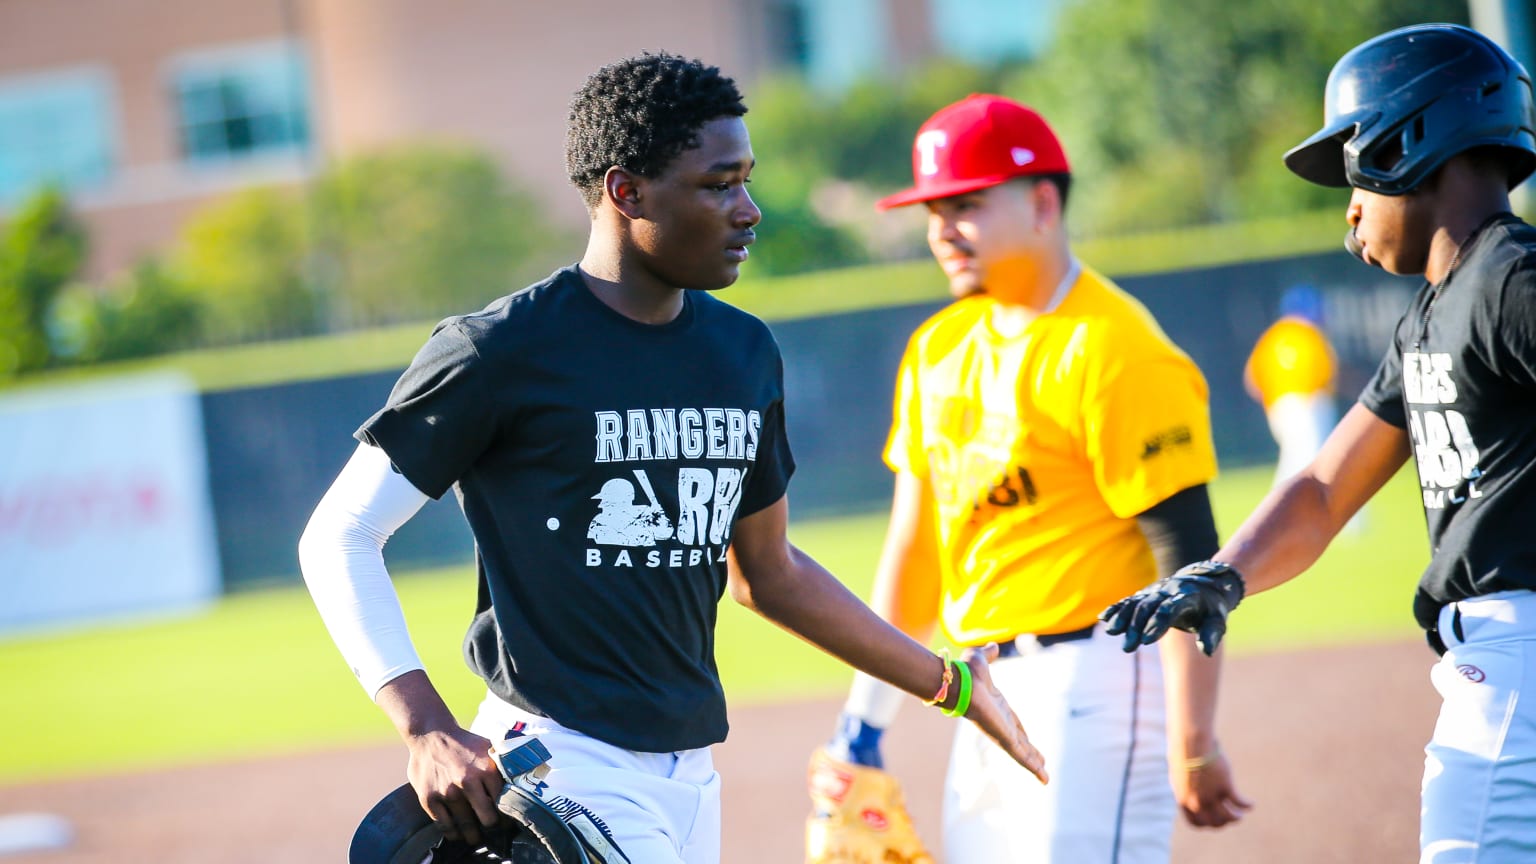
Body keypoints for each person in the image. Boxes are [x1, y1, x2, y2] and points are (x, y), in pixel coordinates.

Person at [295, 52, 1047, 864]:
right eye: (719, 185)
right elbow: (338, 534)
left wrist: (957, 690)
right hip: (561, 767)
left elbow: (771, 575)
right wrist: (427, 728)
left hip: (692, 780)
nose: (749, 210)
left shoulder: (741, 352)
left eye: (746, 180)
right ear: (626, 192)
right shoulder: (500, 350)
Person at [1101, 22, 1536, 862]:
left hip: (1516, 669)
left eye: (1353, 175)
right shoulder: (1434, 313)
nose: (1349, 208)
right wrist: (1222, 576)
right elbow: (1326, 491)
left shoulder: (1511, 279)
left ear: (1406, 143)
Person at [809, 93, 1248, 864]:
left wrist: (1196, 741)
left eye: (966, 204)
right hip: (976, 687)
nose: (941, 229)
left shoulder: (1115, 347)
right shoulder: (937, 348)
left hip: (1100, 675)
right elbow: (916, 555)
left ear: (1043, 201)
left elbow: (1189, 561)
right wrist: (864, 719)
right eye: (931, 208)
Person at [1243, 284, 1340, 483]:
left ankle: (1287, 508)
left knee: (1299, 460)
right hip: (1309, 405)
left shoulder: (1273, 335)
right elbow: (1328, 375)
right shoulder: (1310, 334)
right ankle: (1283, 509)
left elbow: (1251, 380)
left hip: (1279, 408)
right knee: (1305, 463)